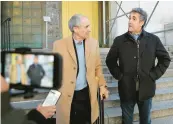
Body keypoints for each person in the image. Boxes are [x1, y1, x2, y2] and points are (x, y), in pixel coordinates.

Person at [106, 8, 171, 124]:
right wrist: (120, 75)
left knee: (145, 120)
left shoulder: (153, 40)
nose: (130, 21)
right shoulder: (119, 40)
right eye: (129, 18)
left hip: (146, 89)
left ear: (142, 22)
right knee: (126, 121)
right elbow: (110, 61)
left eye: (134, 19)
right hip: (126, 89)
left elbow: (165, 59)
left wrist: (153, 75)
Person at [53, 14, 109, 124]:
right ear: (76, 29)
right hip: (68, 96)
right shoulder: (59, 45)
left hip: (87, 94)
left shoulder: (94, 43)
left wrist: (102, 86)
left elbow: (97, 67)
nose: (90, 29)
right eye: (86, 26)